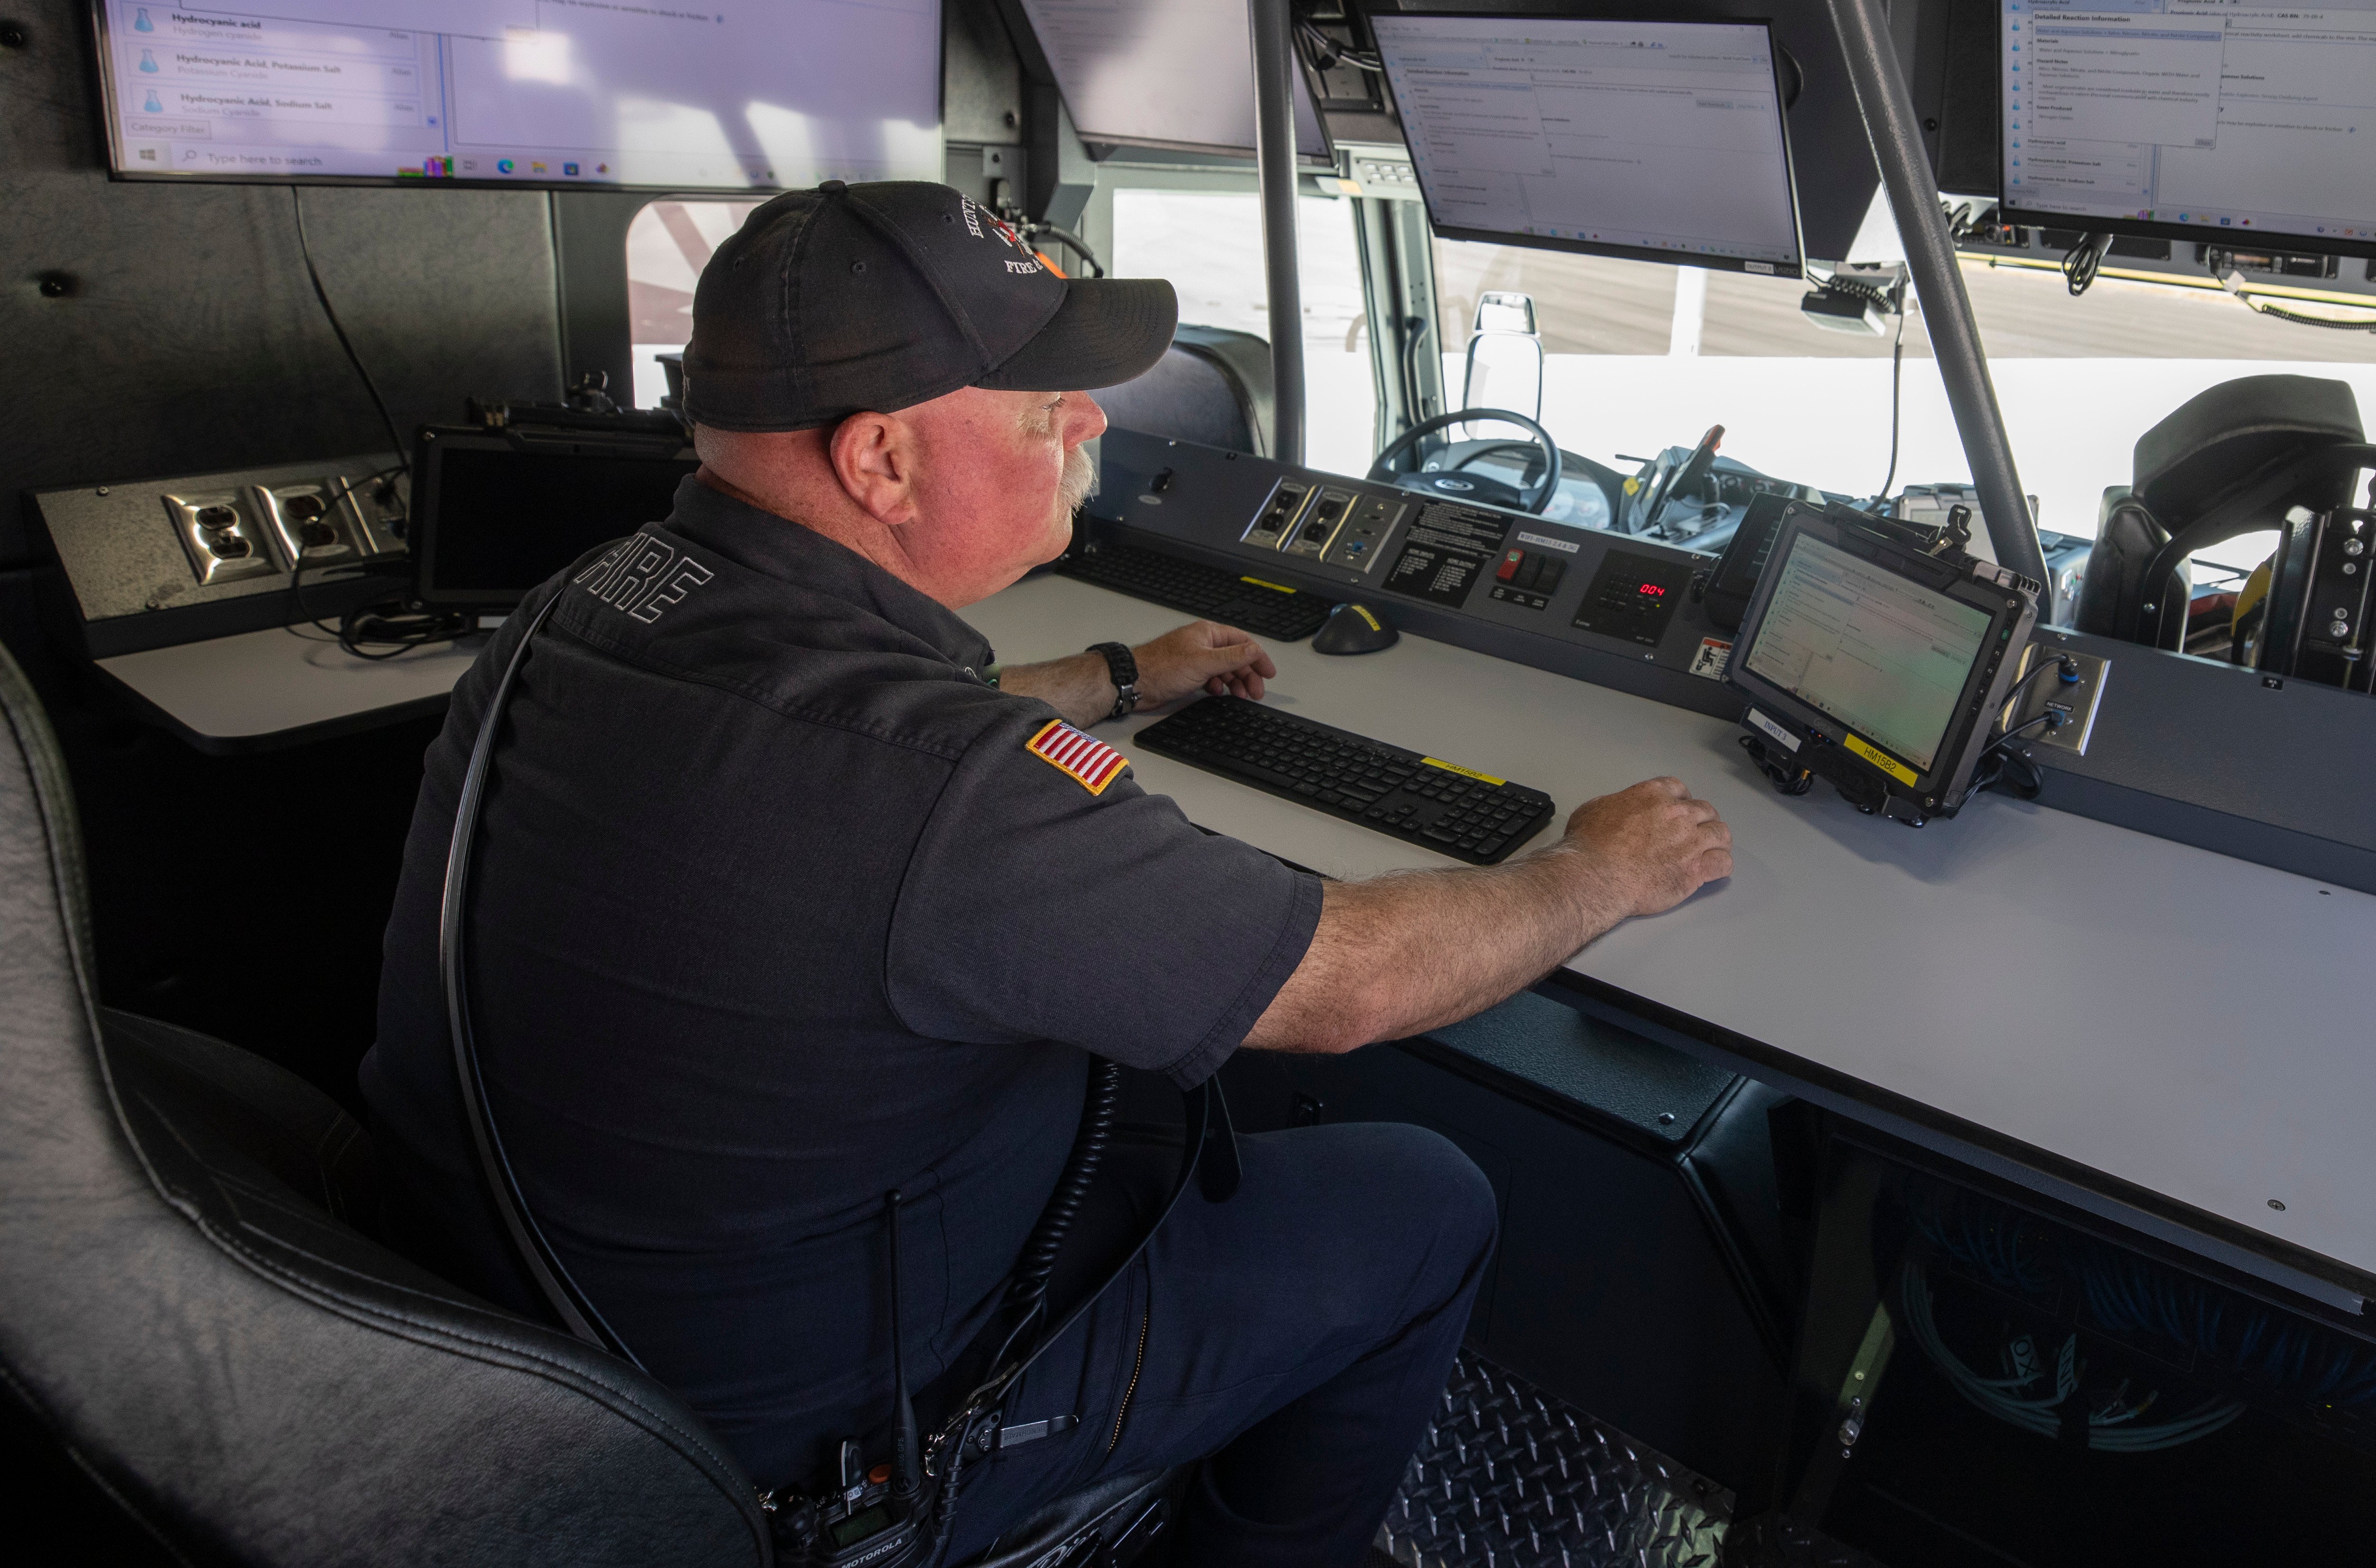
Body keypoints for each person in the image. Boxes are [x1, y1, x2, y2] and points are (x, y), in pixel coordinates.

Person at [361, 180, 1734, 1566]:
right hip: (829, 1452)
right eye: (1044, 410)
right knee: (1425, 1199)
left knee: (1153, 1070)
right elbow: (1351, 988)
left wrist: (1109, 678)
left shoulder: (594, 602)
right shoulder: (948, 794)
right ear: (882, 463)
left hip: (554, 1337)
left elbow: (830, 729)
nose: (1091, 426)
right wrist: (1596, 872)